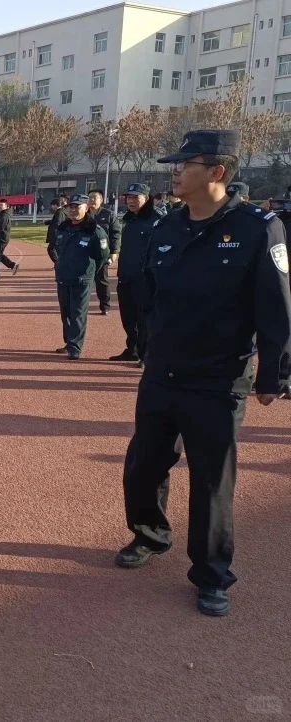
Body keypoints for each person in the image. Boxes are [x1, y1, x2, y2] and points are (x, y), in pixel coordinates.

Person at [115, 129, 291, 618]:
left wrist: (274, 374)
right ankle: (149, 534)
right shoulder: (167, 226)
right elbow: (151, 294)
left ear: (217, 171)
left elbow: (276, 306)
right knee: (145, 463)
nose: (174, 171)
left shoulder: (259, 228)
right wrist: (148, 345)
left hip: (218, 378)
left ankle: (212, 574)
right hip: (162, 372)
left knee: (212, 480)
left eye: (184, 164)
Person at [52, 194, 109, 359]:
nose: (73, 210)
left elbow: (102, 256)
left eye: (77, 207)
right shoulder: (63, 228)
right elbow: (58, 249)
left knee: (78, 313)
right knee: (66, 313)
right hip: (63, 276)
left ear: (86, 208)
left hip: (82, 279)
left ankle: (75, 348)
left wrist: (89, 271)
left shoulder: (94, 231)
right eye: (71, 207)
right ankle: (69, 342)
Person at [109, 183, 159, 365]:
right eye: (128, 197)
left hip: (144, 278)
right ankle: (133, 349)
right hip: (126, 276)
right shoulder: (129, 219)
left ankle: (146, 354)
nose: (131, 201)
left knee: (144, 318)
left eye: (135, 197)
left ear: (146, 198)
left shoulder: (157, 219)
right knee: (128, 317)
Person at [89, 190, 121, 316]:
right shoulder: (83, 213)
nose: (91, 200)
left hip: (102, 253)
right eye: (89, 197)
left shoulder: (108, 215)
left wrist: (114, 251)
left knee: (101, 280)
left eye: (94, 198)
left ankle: (105, 305)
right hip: (85, 252)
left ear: (101, 200)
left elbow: (115, 234)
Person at [0, 199, 19, 276]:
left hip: (1, 238)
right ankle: (12, 265)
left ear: (7, 206)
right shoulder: (3, 214)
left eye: (1, 205)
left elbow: (0, 227)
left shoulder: (4, 215)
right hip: (1, 237)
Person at [45, 195, 69, 265]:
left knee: (51, 249)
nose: (52, 207)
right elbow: (55, 221)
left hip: (57, 234)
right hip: (59, 234)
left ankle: (58, 264)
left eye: (52, 205)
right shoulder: (62, 211)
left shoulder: (60, 211)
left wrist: (56, 234)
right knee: (57, 250)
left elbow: (57, 223)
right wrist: (46, 222)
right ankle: (60, 263)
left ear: (55, 205)